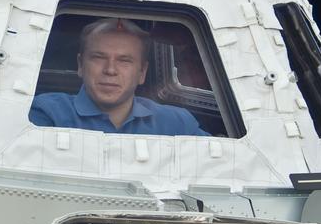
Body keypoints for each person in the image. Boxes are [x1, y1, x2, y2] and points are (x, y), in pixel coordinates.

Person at [29, 18, 208, 136]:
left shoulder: (176, 123)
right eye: (99, 58)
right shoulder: (47, 113)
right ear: (81, 65)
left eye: (124, 61)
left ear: (142, 72)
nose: (110, 70)